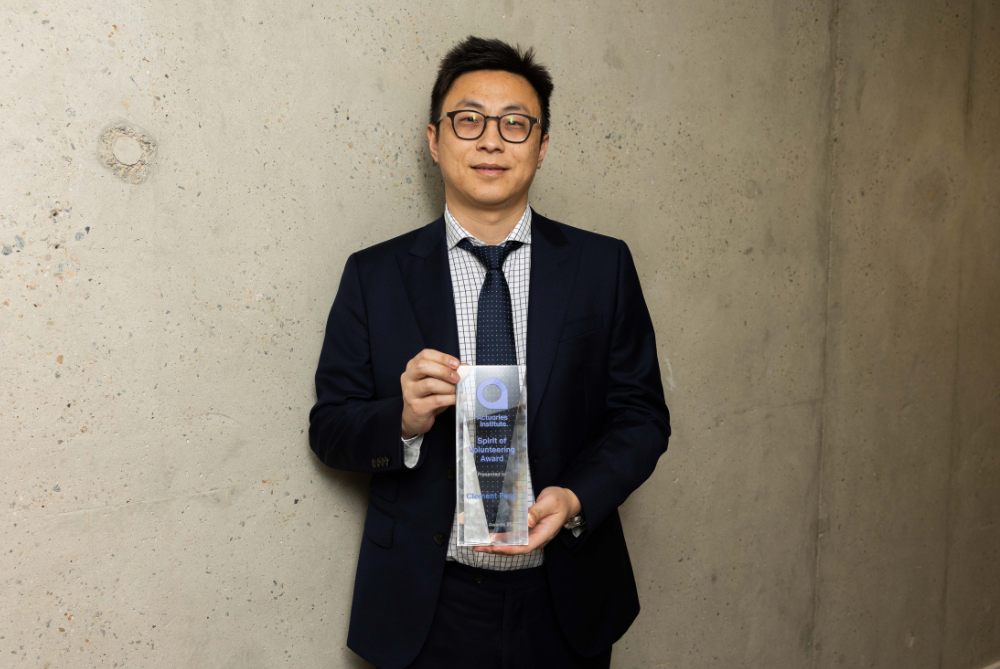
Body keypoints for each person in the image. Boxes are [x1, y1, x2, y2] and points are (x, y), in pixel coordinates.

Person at [309, 36, 670, 669]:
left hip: (566, 594)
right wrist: (402, 419)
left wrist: (578, 496)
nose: (491, 140)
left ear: (542, 144)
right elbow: (329, 426)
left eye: (515, 124)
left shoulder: (602, 266)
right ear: (434, 138)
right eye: (469, 119)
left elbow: (641, 417)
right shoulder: (374, 275)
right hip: (428, 602)